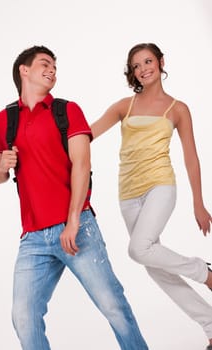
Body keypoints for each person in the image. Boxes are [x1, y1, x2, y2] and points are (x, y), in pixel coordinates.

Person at [0, 45, 149, 350]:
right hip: (33, 238)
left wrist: (73, 220)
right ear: (24, 70)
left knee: (112, 305)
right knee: (23, 316)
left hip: (76, 228)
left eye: (55, 68)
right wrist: (1, 166)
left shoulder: (67, 110)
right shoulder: (2, 120)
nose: (52, 71)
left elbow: (82, 165)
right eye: (45, 64)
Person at [91, 42, 212, 350]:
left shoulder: (178, 109)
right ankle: (210, 324)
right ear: (132, 72)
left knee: (138, 249)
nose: (143, 68)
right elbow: (86, 134)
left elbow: (191, 158)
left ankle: (204, 271)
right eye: (136, 65)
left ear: (160, 62)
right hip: (127, 194)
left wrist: (199, 203)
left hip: (161, 185)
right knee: (156, 269)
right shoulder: (124, 106)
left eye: (148, 61)